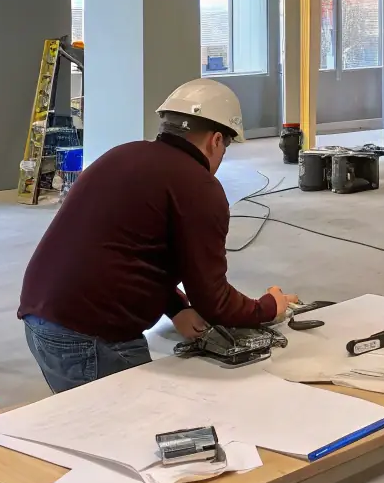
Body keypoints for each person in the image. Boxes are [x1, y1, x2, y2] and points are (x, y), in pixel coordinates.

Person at [18, 79, 298, 392]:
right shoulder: (198, 186)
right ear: (216, 140)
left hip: (43, 317)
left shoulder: (123, 156)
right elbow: (214, 300)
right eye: (226, 147)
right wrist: (268, 308)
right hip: (90, 336)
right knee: (138, 433)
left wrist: (176, 308)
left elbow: (125, 251)